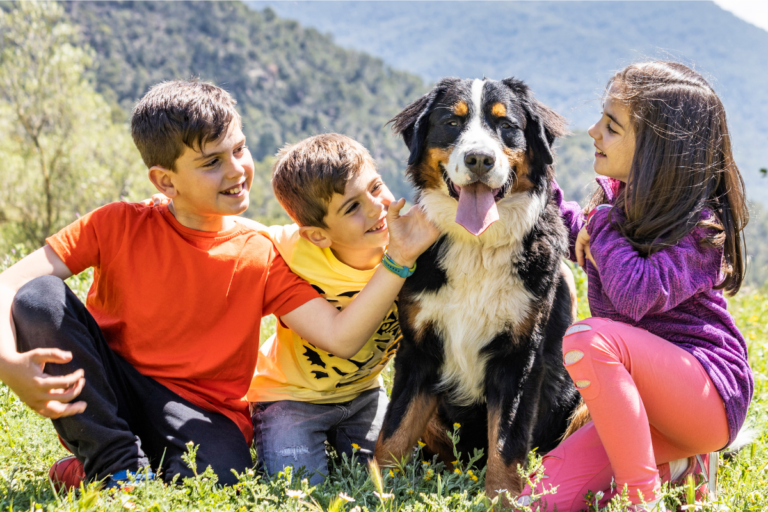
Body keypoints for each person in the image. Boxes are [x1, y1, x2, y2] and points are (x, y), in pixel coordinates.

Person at [0, 81, 438, 489]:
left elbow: (340, 337)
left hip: (202, 412)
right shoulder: (116, 223)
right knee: (38, 297)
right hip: (114, 385)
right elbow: (9, 286)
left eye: (239, 149)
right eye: (212, 162)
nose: (236, 170)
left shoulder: (260, 251)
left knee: (222, 473)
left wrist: (398, 259)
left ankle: (92, 468)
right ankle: (116, 467)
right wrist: (7, 365)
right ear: (165, 180)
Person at [519, 62, 753, 511]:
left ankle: (639, 497)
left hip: (707, 398)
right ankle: (680, 465)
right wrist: (537, 173)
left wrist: (601, 223)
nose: (593, 132)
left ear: (655, 150)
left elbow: (635, 292)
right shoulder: (619, 203)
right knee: (539, 501)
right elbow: (578, 237)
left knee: (588, 339)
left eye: (611, 125)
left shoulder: (702, 229)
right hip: (646, 409)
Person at [231, 134, 406, 484]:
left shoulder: (412, 241)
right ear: (318, 235)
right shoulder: (293, 250)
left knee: (394, 478)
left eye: (376, 187)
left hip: (364, 394)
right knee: (298, 486)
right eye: (352, 207)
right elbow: (237, 232)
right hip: (289, 398)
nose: (375, 207)